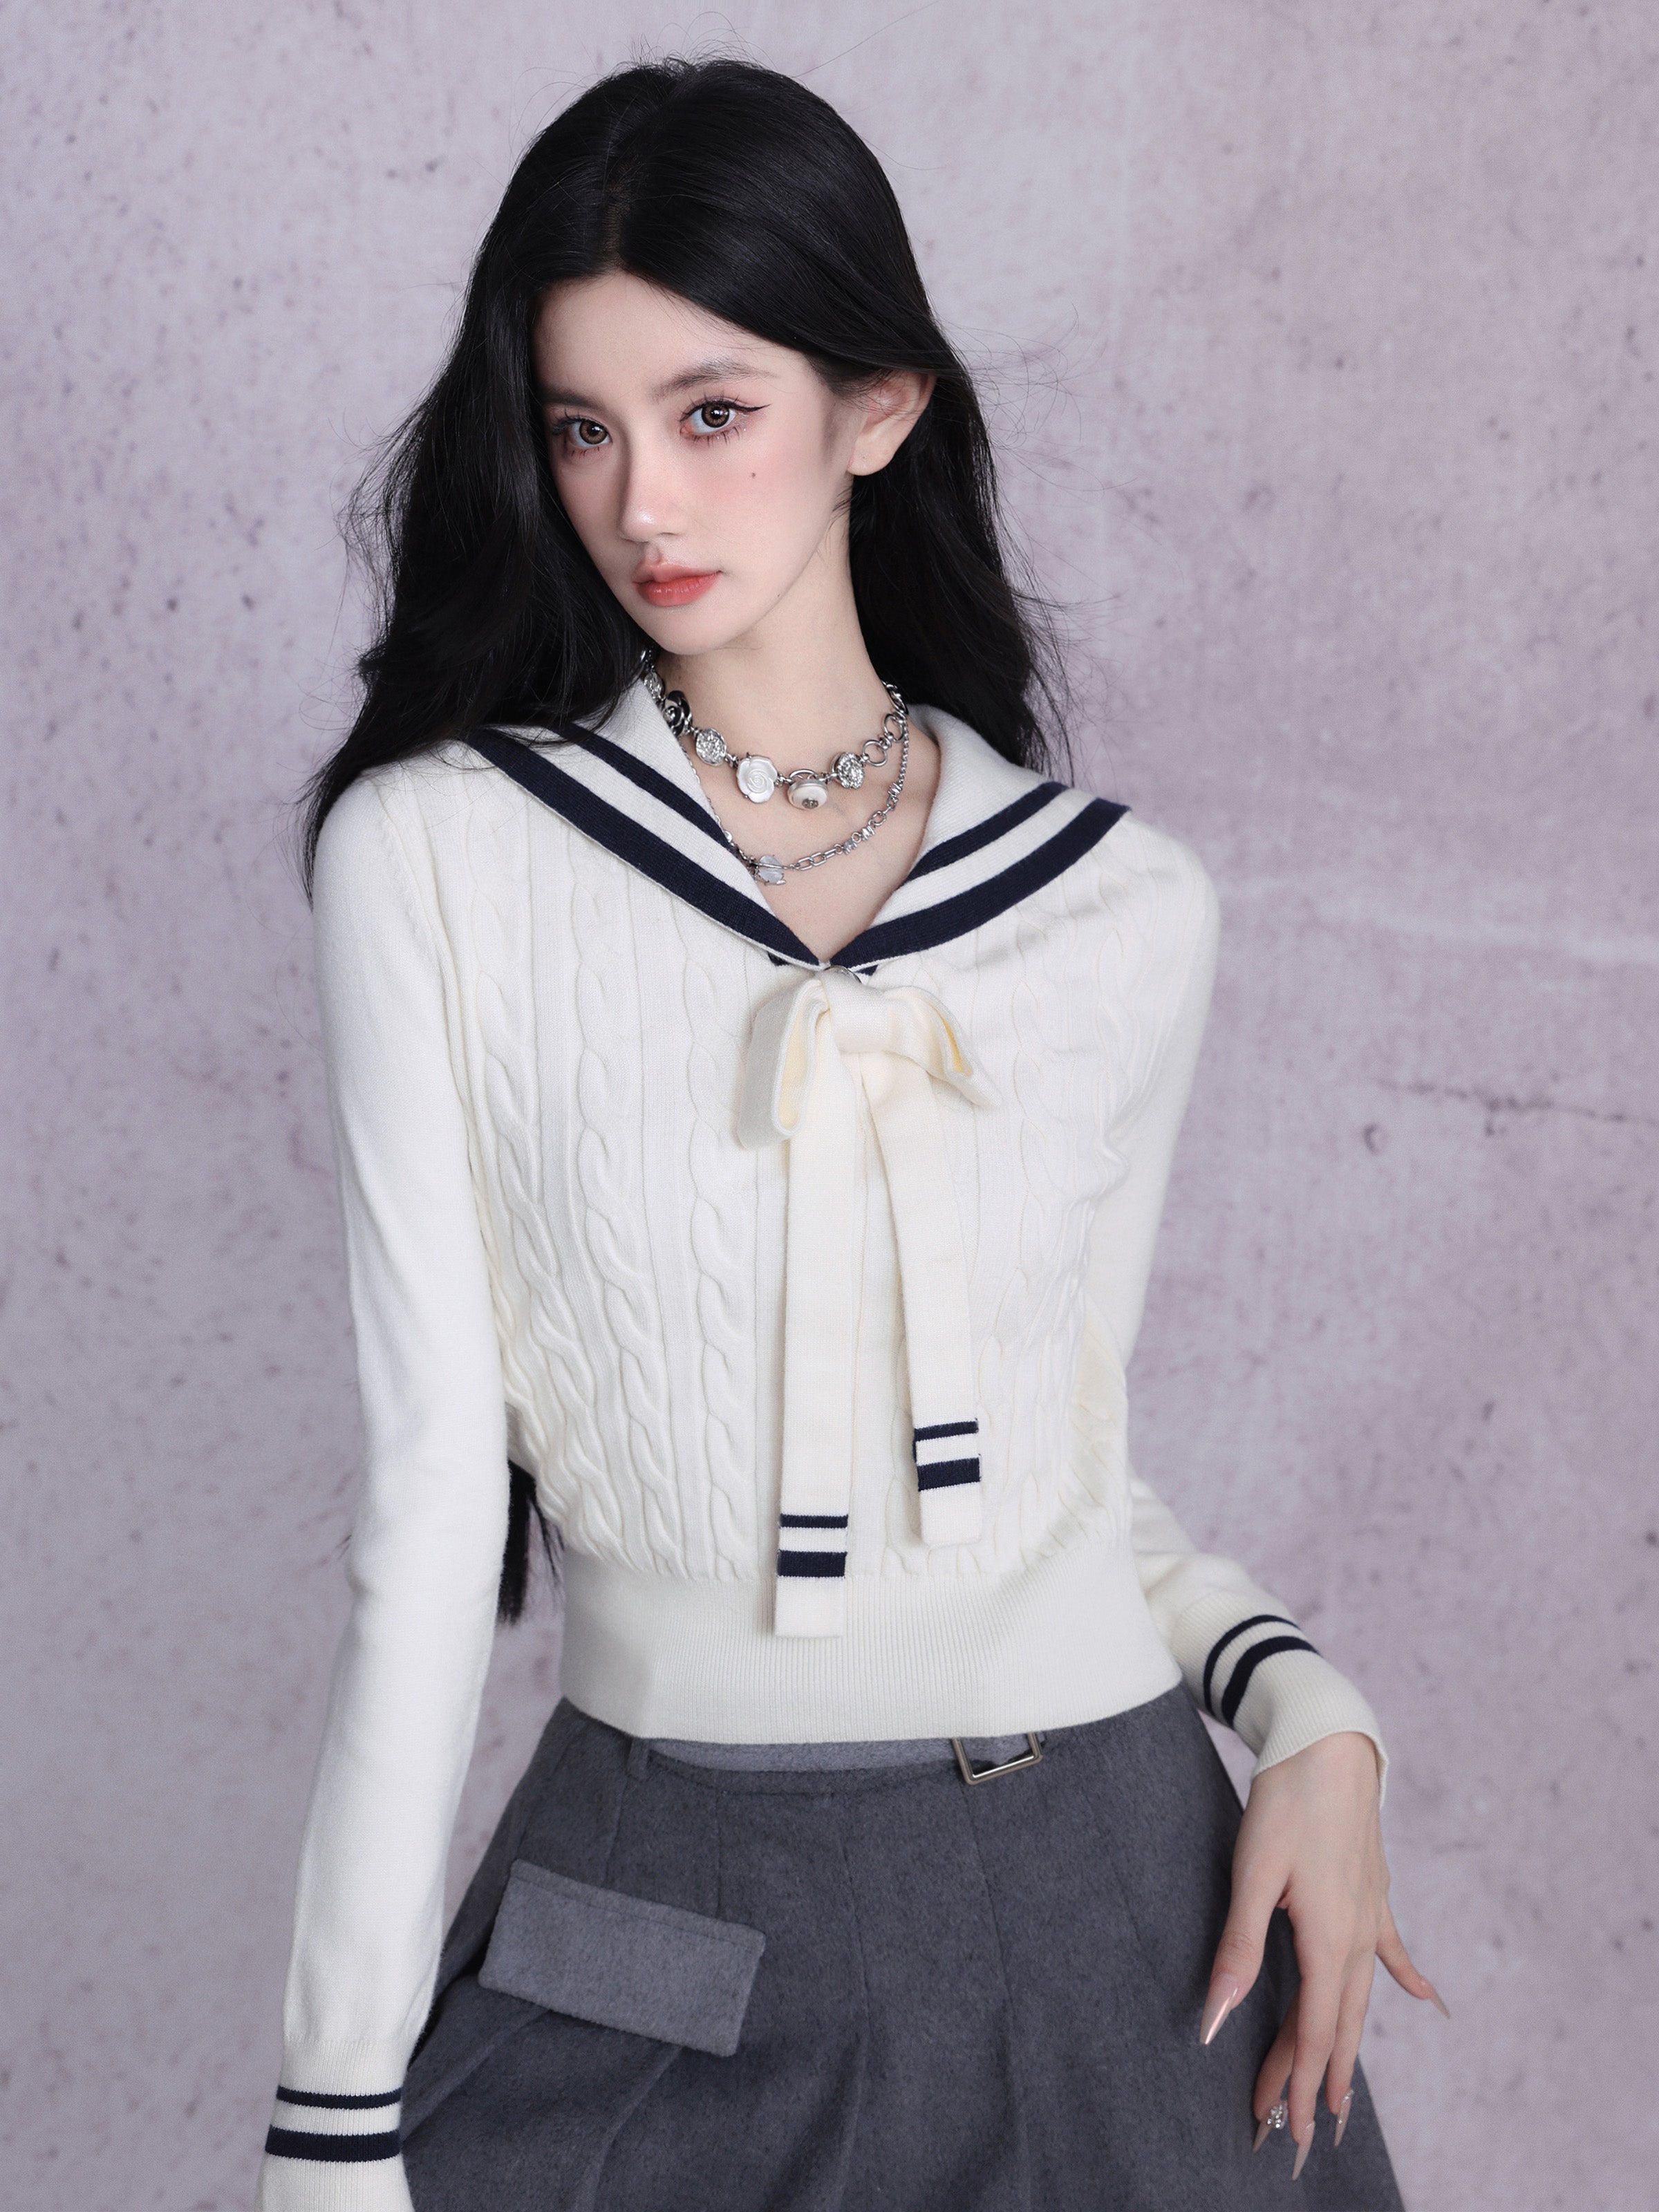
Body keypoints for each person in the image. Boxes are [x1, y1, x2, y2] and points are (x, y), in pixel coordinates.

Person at [254, 56, 1443, 2212]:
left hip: (1124, 1912)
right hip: (669, 1901)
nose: (644, 503)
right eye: (583, 427)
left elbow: (1067, 1466)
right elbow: (428, 1510)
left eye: (713, 412)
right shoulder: (439, 860)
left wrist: (1308, 1710)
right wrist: (332, 2117)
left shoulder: (1122, 909)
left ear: (878, 408)